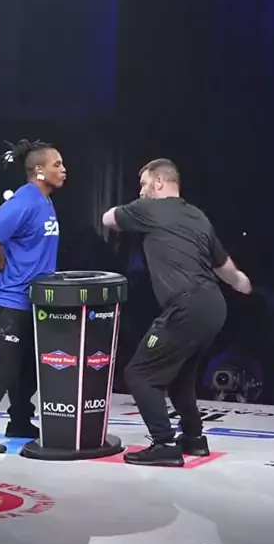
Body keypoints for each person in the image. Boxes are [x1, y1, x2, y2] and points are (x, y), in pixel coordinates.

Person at [103, 158, 252, 467]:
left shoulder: (150, 208)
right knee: (180, 376)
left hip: (186, 307)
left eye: (144, 183)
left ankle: (164, 443)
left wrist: (133, 209)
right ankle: (194, 439)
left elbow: (108, 219)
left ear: (159, 181)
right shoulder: (197, 216)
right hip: (213, 307)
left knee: (139, 374)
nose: (141, 191)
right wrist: (241, 281)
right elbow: (224, 266)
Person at [0, 139, 66, 454]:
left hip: (34, 299)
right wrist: (1, 262)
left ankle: (20, 420)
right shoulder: (26, 200)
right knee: (1, 368)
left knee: (28, 367)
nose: (64, 170)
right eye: (57, 164)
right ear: (39, 170)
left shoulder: (44, 201)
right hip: (10, 298)